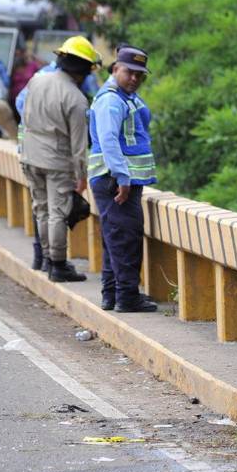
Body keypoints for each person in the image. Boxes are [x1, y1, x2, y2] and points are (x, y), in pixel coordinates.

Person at [15, 36, 100, 271]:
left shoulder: (36, 81)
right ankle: (59, 264)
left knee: (41, 209)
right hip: (55, 162)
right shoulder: (76, 99)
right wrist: (81, 176)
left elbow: (23, 114)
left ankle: (45, 259)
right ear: (84, 71)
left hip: (29, 156)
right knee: (57, 213)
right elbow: (79, 145)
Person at [88, 45, 157, 313]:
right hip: (115, 181)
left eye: (140, 75)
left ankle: (112, 294)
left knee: (115, 236)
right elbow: (107, 140)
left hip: (119, 179)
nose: (135, 79)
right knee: (125, 237)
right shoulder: (111, 100)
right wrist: (122, 177)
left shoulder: (124, 97)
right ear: (115, 69)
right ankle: (127, 296)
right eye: (130, 73)